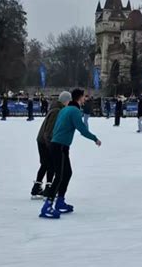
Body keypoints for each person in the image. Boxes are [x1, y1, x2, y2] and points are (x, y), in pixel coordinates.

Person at [39, 88, 101, 219]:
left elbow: (56, 127)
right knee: (60, 175)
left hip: (60, 146)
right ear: (79, 98)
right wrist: (95, 138)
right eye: (84, 97)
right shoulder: (74, 111)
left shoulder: (65, 109)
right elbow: (82, 129)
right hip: (60, 146)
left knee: (67, 173)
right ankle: (47, 205)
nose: (85, 99)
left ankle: (60, 201)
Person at [31, 92, 71, 198]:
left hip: (43, 140)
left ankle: (36, 188)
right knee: (51, 165)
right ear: (66, 101)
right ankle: (48, 189)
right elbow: (49, 131)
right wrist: (51, 146)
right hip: (46, 141)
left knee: (45, 164)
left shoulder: (56, 108)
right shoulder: (57, 111)